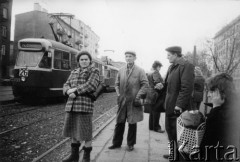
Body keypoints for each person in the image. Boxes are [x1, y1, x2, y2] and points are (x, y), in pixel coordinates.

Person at [62, 51, 100, 162]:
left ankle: (86, 158)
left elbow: (91, 85)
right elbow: (66, 84)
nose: (84, 61)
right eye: (81, 59)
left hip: (84, 106)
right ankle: (74, 156)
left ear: (90, 61)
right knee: (73, 131)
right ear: (78, 61)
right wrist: (68, 91)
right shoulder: (74, 71)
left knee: (86, 132)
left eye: (86, 59)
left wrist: (76, 91)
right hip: (71, 106)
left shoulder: (94, 70)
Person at [108, 50, 148, 151]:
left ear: (135, 58)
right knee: (119, 122)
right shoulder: (121, 70)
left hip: (134, 101)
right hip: (122, 101)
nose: (128, 58)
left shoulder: (140, 70)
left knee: (132, 122)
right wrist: (118, 94)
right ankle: (116, 143)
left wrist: (138, 96)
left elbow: (145, 84)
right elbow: (116, 84)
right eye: (126, 56)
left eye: (130, 56)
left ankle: (130, 144)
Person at [162, 46, 195, 160]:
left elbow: (186, 88)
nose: (167, 57)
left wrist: (179, 105)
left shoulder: (186, 66)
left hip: (178, 108)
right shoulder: (172, 67)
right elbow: (169, 86)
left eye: (169, 55)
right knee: (170, 131)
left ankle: (180, 157)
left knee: (178, 134)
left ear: (176, 55)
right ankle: (173, 155)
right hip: (170, 106)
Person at [200, 73, 240, 161]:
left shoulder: (223, 115)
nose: (208, 95)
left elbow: (208, 142)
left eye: (211, 91)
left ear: (221, 92)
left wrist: (215, 107)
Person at [145, 60, 165, 133]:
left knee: (152, 110)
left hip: (150, 93)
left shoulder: (150, 72)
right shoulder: (156, 72)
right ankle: (156, 127)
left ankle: (151, 126)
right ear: (158, 66)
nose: (160, 69)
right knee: (157, 110)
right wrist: (163, 86)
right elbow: (158, 84)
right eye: (160, 67)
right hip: (156, 94)